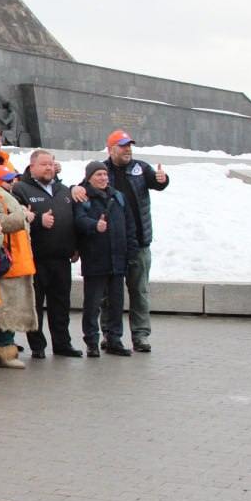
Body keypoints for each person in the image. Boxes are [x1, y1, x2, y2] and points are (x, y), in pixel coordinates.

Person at [103, 130, 169, 353]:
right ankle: (109, 334)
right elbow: (86, 188)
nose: (127, 149)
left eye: (129, 145)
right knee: (110, 293)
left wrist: (163, 179)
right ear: (111, 149)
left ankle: (140, 335)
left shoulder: (140, 168)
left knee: (139, 291)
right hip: (112, 244)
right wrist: (76, 190)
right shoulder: (102, 171)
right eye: (122, 146)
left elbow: (156, 182)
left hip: (139, 243)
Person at [12, 150, 82, 358]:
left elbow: (74, 220)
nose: (48, 168)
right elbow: (17, 218)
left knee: (60, 305)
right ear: (32, 167)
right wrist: (39, 220)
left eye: (51, 164)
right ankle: (38, 346)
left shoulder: (63, 191)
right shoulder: (21, 189)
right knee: (35, 304)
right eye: (43, 164)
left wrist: (75, 246)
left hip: (61, 259)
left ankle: (62, 344)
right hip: (36, 259)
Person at [74, 161, 139, 357]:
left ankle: (114, 339)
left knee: (116, 303)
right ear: (89, 178)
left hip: (118, 260)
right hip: (95, 259)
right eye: (98, 175)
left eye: (104, 174)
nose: (103, 178)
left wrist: (132, 252)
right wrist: (94, 225)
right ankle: (92, 341)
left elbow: (130, 226)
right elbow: (78, 221)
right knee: (92, 304)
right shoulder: (83, 197)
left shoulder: (118, 196)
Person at [0, 165, 38, 369]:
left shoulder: (3, 197)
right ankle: (3, 349)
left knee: (5, 308)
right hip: (7, 264)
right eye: (7, 180)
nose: (12, 183)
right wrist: (22, 217)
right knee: (5, 310)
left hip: (14, 262)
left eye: (12, 179)